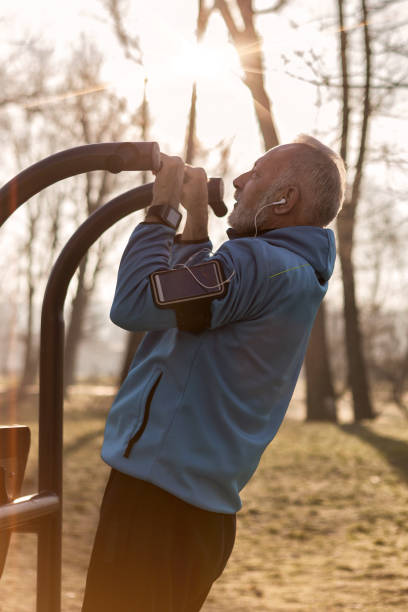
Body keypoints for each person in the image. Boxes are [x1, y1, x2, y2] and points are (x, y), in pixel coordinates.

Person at [82, 134, 346, 612]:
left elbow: (136, 302)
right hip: (202, 515)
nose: (241, 181)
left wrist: (163, 210)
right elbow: (186, 313)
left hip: (154, 507)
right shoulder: (293, 273)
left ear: (284, 200)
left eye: (257, 174)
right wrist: (197, 223)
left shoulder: (255, 263)